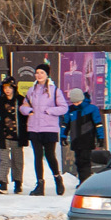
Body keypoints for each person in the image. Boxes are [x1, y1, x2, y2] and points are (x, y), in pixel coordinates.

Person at [19, 62, 69, 196]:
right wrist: (28, 110)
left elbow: (64, 107)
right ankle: (40, 184)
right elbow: (23, 106)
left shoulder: (54, 90)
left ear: (47, 75)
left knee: (50, 155)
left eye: (41, 73)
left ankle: (58, 178)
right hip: (34, 127)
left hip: (49, 127)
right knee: (37, 156)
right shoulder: (32, 90)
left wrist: (49, 110)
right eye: (37, 73)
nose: (39, 75)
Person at [0, 75, 26, 194]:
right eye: (5, 87)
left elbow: (26, 117)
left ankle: (18, 183)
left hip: (18, 135)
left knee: (17, 160)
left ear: (14, 88)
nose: (7, 90)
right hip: (2, 135)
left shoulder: (20, 100)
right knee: (4, 160)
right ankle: (3, 183)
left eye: (9, 87)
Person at [61, 88, 105, 184]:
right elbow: (65, 124)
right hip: (76, 139)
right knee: (78, 161)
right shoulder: (71, 110)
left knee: (85, 161)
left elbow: (98, 124)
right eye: (74, 102)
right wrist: (63, 136)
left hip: (87, 139)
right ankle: (82, 180)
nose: (76, 104)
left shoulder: (92, 109)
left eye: (78, 101)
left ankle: (84, 182)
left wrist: (100, 137)